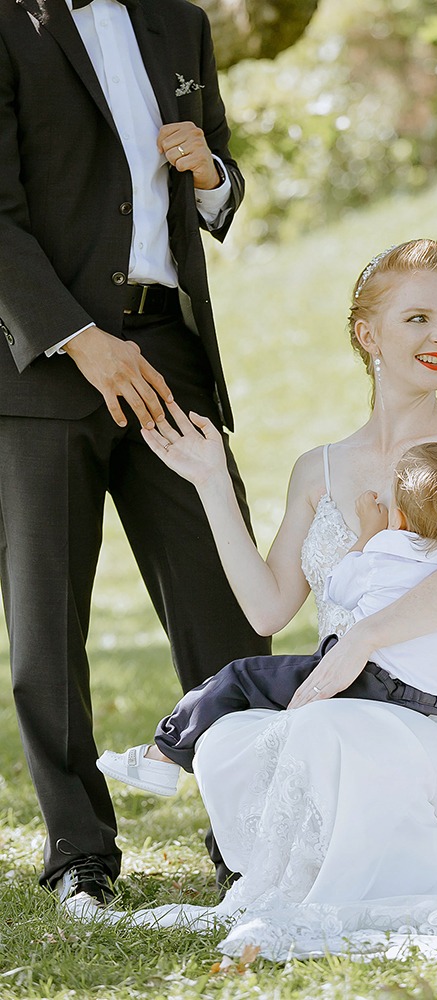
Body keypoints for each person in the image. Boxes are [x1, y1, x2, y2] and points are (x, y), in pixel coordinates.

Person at [67, 239, 437, 958]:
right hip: (334, 712)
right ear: (367, 334)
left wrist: (363, 638)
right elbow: (266, 609)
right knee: (226, 737)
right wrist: (210, 483)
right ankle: (299, 890)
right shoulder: (316, 469)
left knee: (319, 730)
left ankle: (344, 909)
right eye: (417, 318)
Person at [0, 0, 269, 905]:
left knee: (228, 602)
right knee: (47, 633)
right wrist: (79, 337)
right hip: (44, 367)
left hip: (171, 354)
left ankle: (253, 835)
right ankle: (81, 854)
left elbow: (219, 183)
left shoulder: (180, 22)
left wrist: (210, 175)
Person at [96, 440, 437, 794]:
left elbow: (338, 589)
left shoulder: (386, 553)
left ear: (398, 518)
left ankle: (163, 754)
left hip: (361, 681)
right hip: (425, 705)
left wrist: (368, 533)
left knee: (239, 677)